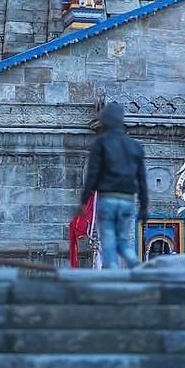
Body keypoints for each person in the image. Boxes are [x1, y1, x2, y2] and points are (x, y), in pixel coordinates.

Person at [77, 101, 147, 269]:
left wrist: (84, 200)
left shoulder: (101, 143)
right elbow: (142, 179)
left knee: (108, 238)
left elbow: (93, 174)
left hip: (108, 198)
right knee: (122, 240)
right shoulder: (134, 146)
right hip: (127, 199)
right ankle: (136, 265)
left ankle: (112, 273)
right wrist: (144, 207)